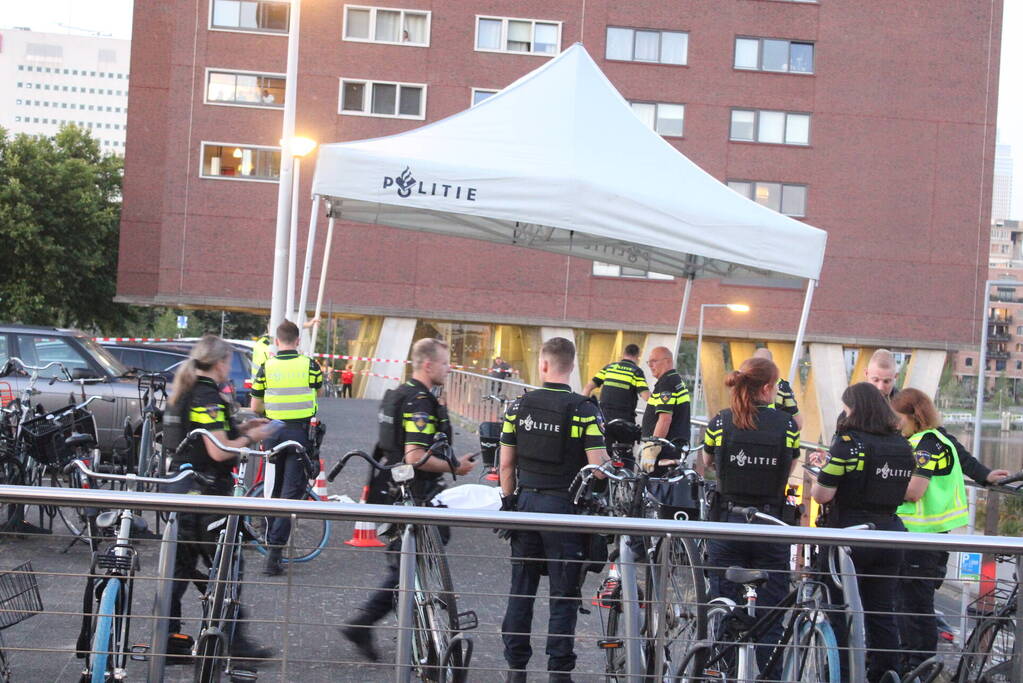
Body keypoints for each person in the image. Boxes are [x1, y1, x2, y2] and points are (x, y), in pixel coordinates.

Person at [341, 338, 475, 661]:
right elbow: (415, 456)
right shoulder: (420, 402)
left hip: (393, 487)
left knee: (410, 562)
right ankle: (374, 625)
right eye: (444, 363)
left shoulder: (398, 394)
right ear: (428, 365)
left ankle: (397, 630)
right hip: (415, 492)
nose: (449, 368)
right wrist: (455, 467)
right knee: (415, 561)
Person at [162, 335, 277, 662]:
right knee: (228, 567)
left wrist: (242, 427)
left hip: (181, 492)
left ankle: (167, 639)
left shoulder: (185, 390)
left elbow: (207, 436)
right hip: (207, 495)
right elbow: (218, 449)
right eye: (228, 361)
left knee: (179, 572)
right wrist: (253, 436)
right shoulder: (207, 395)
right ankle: (234, 644)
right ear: (220, 362)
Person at [499, 337, 607, 682]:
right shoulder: (585, 410)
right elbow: (598, 469)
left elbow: (506, 466)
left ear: (543, 365)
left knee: (522, 588)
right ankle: (559, 672)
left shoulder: (517, 408)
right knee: (564, 594)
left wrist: (509, 502)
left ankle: (516, 668)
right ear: (572, 367)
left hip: (526, 505)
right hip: (565, 508)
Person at [890, 388, 1009, 672]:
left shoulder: (925, 444)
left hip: (920, 536)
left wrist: (876, 489)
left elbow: (915, 491)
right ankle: (911, 664)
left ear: (912, 416)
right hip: (927, 535)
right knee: (909, 604)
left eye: (898, 418)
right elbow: (964, 458)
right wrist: (984, 474)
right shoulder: (935, 438)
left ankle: (919, 667)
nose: (895, 424)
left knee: (914, 606)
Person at [810, 382, 916, 682]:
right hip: (889, 534)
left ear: (855, 409)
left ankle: (842, 675)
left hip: (849, 535)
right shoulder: (902, 445)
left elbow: (822, 495)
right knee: (882, 612)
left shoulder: (847, 444)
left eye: (846, 408)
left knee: (840, 612)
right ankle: (886, 674)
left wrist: (820, 475)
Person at [701, 357, 800, 679]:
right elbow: (789, 467)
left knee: (724, 612)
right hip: (770, 526)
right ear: (768, 388)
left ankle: (725, 673)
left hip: (727, 523)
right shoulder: (787, 426)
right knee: (771, 619)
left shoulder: (720, 421)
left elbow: (707, 461)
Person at [249, 319, 323, 576]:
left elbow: (255, 406)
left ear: (276, 341)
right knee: (291, 494)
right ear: (298, 341)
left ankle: (270, 541)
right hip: (300, 433)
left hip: (272, 433)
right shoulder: (310, 365)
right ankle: (275, 553)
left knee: (273, 489)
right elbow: (317, 391)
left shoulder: (266, 367)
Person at [639, 346, 690, 471]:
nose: (650, 365)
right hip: (672, 447)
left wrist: (653, 447)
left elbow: (665, 419)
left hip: (664, 451)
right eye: (649, 362)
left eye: (654, 361)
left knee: (652, 482)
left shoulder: (667, 383)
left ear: (667, 361)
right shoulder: (674, 380)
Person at [582, 343, 650, 424]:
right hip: (623, 421)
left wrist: (584, 410)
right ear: (638, 356)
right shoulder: (636, 372)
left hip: (603, 419)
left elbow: (588, 387)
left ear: (624, 354)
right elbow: (646, 397)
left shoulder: (609, 368)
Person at [752, 347, 803, 429]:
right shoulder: (783, 387)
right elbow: (797, 423)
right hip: (774, 432)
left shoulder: (744, 384)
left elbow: (797, 422)